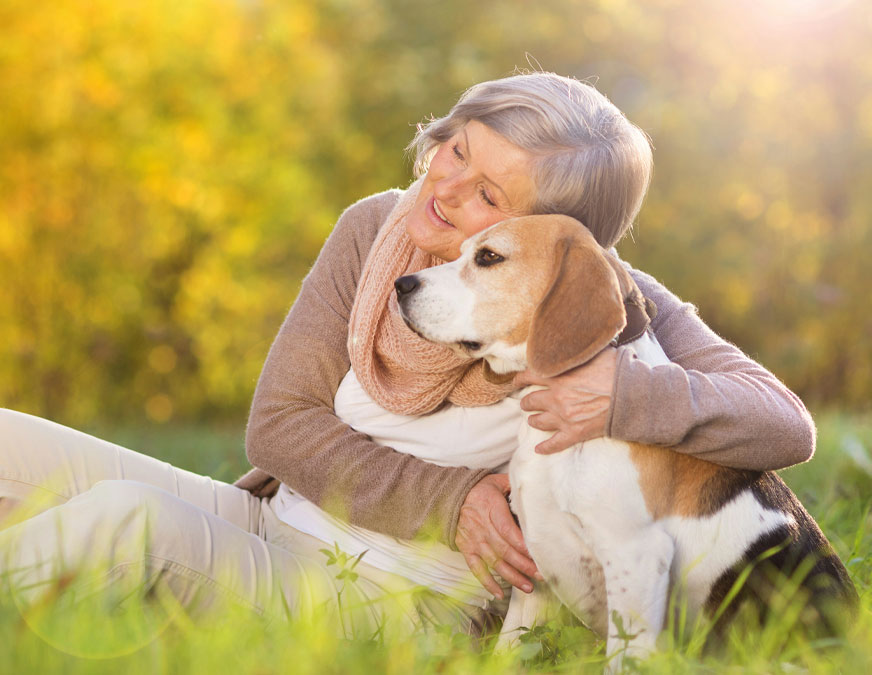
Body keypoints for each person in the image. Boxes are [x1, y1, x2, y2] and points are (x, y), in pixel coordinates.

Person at [0, 72, 815, 638]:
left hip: (390, 599)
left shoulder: (593, 298)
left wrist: (623, 394)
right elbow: (279, 427)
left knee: (123, 522)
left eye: (491, 197)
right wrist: (452, 498)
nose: (445, 187)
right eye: (458, 149)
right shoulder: (373, 228)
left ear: (550, 238)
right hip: (270, 516)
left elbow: (785, 425)